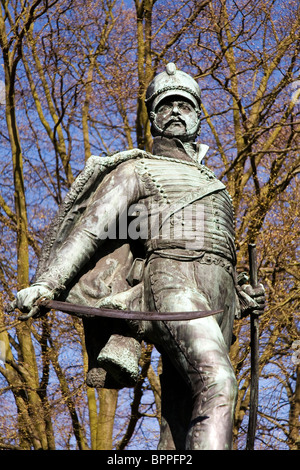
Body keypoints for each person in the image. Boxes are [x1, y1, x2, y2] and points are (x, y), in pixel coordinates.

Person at [12, 63, 264, 450]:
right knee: (219, 383)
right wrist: (48, 283)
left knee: (182, 421)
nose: (176, 111)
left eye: (185, 105)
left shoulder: (217, 185)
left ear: (199, 116)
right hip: (172, 281)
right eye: (166, 106)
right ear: (153, 117)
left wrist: (242, 295)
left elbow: (218, 250)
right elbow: (91, 230)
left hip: (221, 297)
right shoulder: (137, 170)